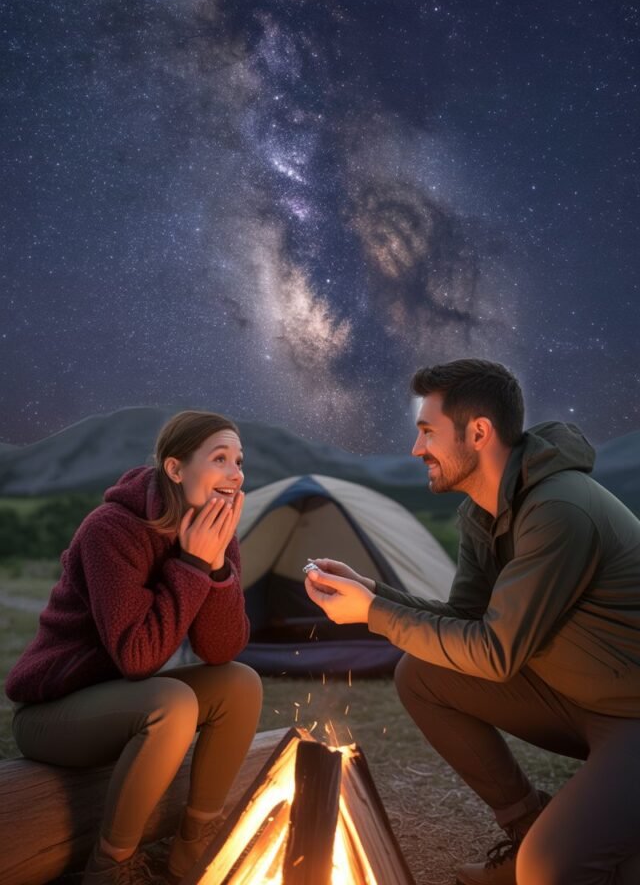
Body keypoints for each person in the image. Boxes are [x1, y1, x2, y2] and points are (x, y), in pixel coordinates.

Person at [304, 359, 640, 885]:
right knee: (423, 674)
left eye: (427, 432)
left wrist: (372, 612)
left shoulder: (558, 510)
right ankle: (528, 828)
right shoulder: (483, 513)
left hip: (632, 714)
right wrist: (374, 593)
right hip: (581, 701)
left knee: (553, 869)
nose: (416, 449)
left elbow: (496, 653)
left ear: (478, 432)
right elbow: (465, 619)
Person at [5, 410, 263, 885]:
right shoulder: (110, 530)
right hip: (52, 712)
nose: (236, 474)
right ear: (175, 468)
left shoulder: (212, 531)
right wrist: (191, 565)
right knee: (173, 702)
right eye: (220, 459)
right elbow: (138, 657)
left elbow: (221, 650)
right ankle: (109, 866)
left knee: (240, 684)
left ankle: (195, 843)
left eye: (239, 461)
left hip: (120, 702)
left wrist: (216, 566)